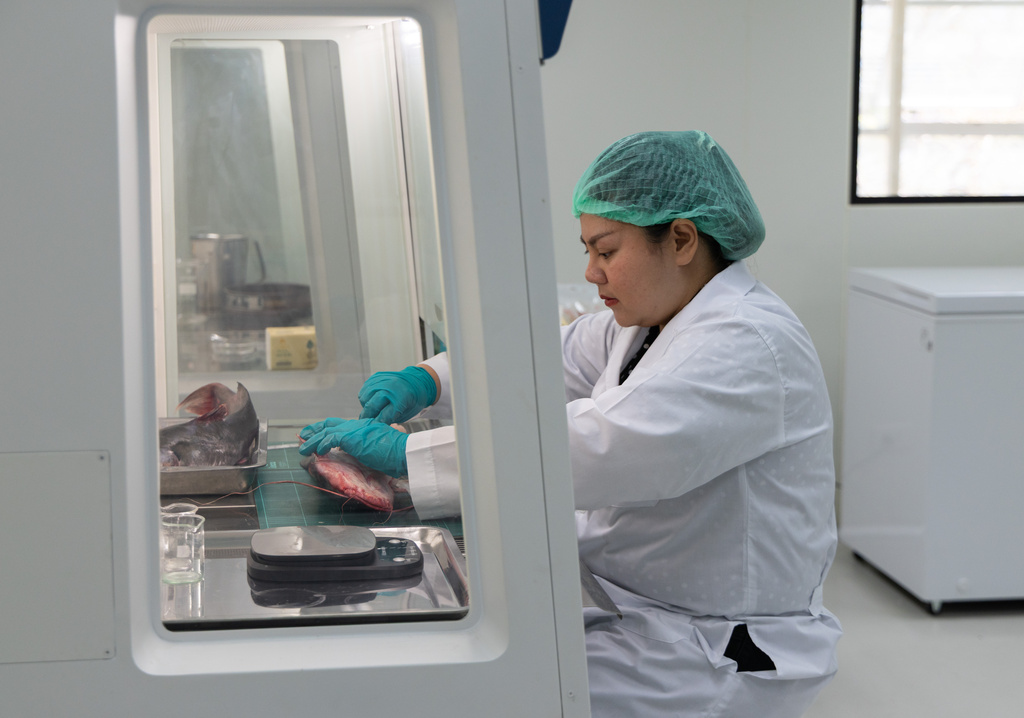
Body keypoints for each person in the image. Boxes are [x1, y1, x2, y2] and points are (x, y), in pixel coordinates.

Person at [299, 130, 841, 718]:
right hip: (627, 607)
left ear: (681, 238)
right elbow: (543, 360)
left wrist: (411, 456)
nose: (590, 272)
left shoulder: (749, 342)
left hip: (708, 650)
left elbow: (605, 447)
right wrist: (430, 379)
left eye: (606, 251)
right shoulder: (648, 322)